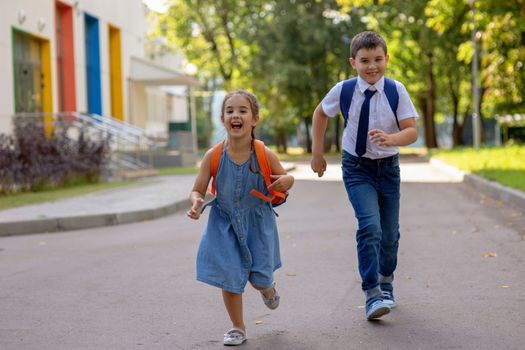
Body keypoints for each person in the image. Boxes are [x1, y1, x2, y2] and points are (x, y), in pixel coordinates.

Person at [310, 31, 419, 320]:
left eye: (378, 59)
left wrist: (393, 139)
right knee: (369, 226)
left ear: (387, 59)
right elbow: (320, 114)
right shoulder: (344, 90)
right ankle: (372, 293)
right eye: (365, 60)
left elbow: (411, 130)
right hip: (356, 167)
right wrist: (317, 153)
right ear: (353, 62)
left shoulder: (396, 90)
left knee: (390, 235)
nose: (372, 66)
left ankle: (386, 281)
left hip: (388, 169)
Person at [187, 90, 294, 345]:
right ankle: (237, 327)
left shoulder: (263, 153)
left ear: (254, 119)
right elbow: (197, 189)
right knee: (230, 277)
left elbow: (286, 178)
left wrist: (286, 182)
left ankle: (268, 288)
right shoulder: (212, 156)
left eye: (242, 111)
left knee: (259, 279)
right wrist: (196, 202)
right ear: (223, 119)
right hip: (223, 225)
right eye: (230, 111)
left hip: (258, 224)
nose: (236, 115)